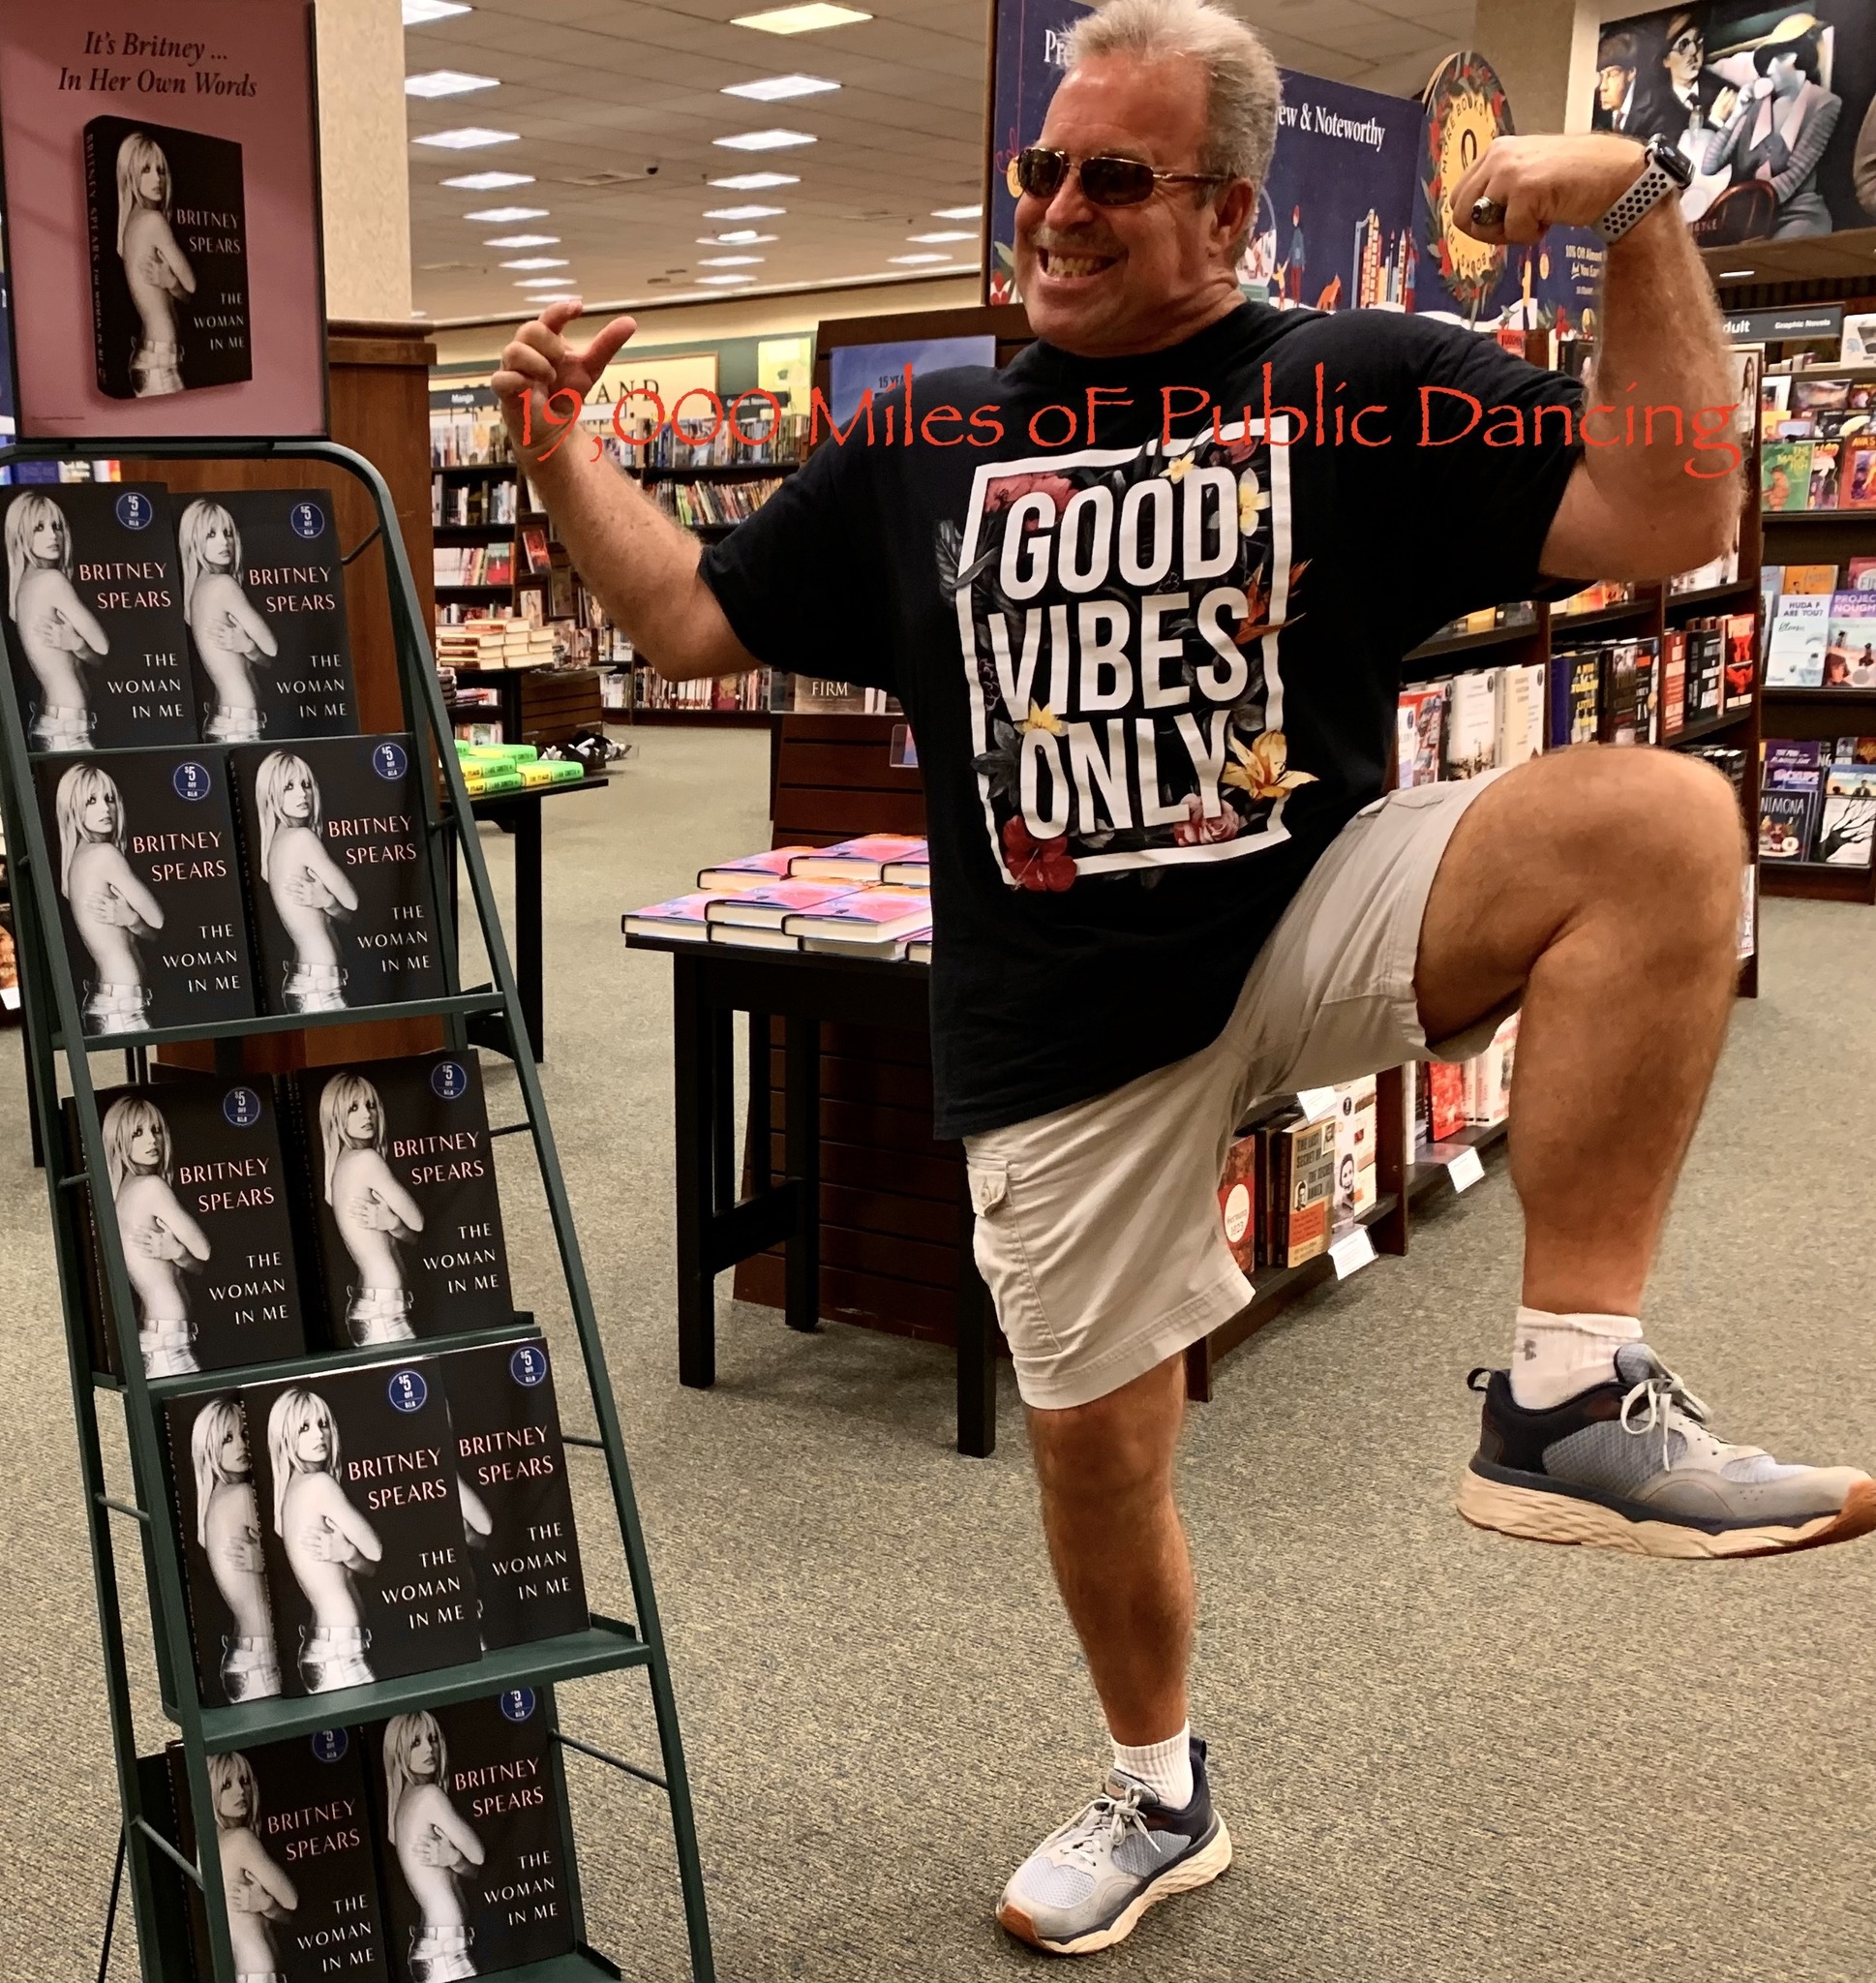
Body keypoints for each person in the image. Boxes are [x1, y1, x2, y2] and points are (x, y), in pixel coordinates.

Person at [496, 0, 1875, 1955]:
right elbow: (690, 625)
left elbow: (1670, 505)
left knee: (1657, 820)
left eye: (1115, 178)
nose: (1058, 208)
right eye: (1043, 168)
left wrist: (1643, 208)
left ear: (1227, 210)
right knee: (1099, 1458)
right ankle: (1158, 1787)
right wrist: (557, 451)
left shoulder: (1358, 385)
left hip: (1307, 910)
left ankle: (1570, 1390)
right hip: (1057, 1015)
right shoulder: (927, 438)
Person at [266, 1387, 380, 1693]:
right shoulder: (319, 1485)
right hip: (338, 1654)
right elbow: (376, 1550)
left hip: (330, 1646)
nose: (319, 1435)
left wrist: (347, 1553)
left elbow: (368, 1567)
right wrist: (352, 1552)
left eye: (323, 1424)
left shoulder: (291, 1492)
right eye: (304, 1427)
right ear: (285, 1437)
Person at [1700, 24, 1841, 239]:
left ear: (1794, 57)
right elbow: (1709, 165)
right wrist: (1737, 113)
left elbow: (1796, 173)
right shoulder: (1755, 104)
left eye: (1776, 59)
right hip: (1743, 217)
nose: (1769, 71)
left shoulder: (1824, 103)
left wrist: (1752, 202)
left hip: (1796, 214)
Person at [104, 1095, 209, 1379]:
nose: (152, 1140)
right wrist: (180, 1251)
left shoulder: (123, 1193)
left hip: (164, 1336)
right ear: (119, 1141)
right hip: (168, 1343)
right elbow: (204, 1250)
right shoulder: (151, 1187)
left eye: (156, 1130)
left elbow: (197, 1265)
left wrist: (176, 1252)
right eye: (137, 1133)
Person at [317, 1071, 424, 1345]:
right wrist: (395, 1222)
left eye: (371, 1105)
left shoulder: (340, 1166)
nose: (367, 1115)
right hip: (382, 1312)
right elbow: (418, 1222)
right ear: (335, 1116)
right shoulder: (366, 1160)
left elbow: (412, 1235)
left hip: (376, 1305)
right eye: (353, 1108)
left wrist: (392, 1224)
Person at [187, 1396, 281, 1702]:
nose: (241, 1445)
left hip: (247, 1652)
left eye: (244, 1433)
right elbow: (296, 1553)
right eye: (227, 1439)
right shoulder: (241, 1496)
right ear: (209, 1448)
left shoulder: (214, 1502)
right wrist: (266, 1559)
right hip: (261, 1658)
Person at [56, 763, 162, 1036]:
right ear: (72, 809)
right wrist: (134, 919)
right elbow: (158, 920)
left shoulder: (77, 860)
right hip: (122, 1004)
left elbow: (149, 932)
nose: (105, 809)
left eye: (109, 798)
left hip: (111, 996)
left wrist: (130, 920)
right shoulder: (104, 855)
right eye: (90, 801)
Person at [382, 1711, 485, 1982]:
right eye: (415, 1743)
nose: (429, 1749)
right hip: (443, 1952)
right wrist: (456, 1858)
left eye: (432, 1738)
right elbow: (478, 1854)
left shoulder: (404, 1805)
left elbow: (471, 1869)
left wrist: (453, 1859)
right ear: (398, 1752)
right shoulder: (429, 1797)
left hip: (440, 1947)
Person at [253, 750, 357, 1012]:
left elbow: (344, 914)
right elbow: (352, 903)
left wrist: (326, 902)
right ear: (271, 794)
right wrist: (329, 901)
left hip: (310, 980)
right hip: (318, 987)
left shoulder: (275, 845)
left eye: (306, 784)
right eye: (288, 787)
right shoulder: (301, 839)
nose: (302, 794)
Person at [6, 494, 109, 751]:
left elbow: (95, 657)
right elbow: (103, 648)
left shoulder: (24, 585)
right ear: (20, 535)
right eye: (39, 528)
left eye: (57, 526)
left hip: (56, 721)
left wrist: (75, 645)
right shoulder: (51, 581)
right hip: (66, 728)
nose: (53, 536)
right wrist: (78, 644)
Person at [179, 500, 278, 742]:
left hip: (226, 715)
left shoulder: (197, 591)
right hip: (239, 719)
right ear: (194, 540)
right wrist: (249, 646)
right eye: (211, 534)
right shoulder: (223, 586)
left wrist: (246, 647)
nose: (224, 542)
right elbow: (272, 649)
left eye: (228, 533)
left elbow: (261, 658)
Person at [204, 1752, 298, 1977]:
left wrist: (266, 1905)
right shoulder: (241, 1840)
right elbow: (292, 1900)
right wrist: (268, 1904)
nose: (240, 1791)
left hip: (246, 1969)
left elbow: (287, 1914)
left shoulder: (207, 1845)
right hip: (259, 1967)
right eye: (226, 1785)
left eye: (244, 1781)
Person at [115, 132, 195, 397]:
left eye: (160, 170)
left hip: (152, 358)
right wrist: (172, 282)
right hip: (158, 364)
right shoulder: (153, 221)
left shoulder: (131, 225)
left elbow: (183, 294)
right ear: (130, 175)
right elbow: (191, 286)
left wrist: (169, 282)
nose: (157, 179)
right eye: (146, 170)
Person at [1591, 30, 1642, 132]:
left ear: (1631, 73)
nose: (1603, 87)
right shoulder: (1596, 113)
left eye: (1612, 74)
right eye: (1601, 76)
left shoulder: (1653, 114)